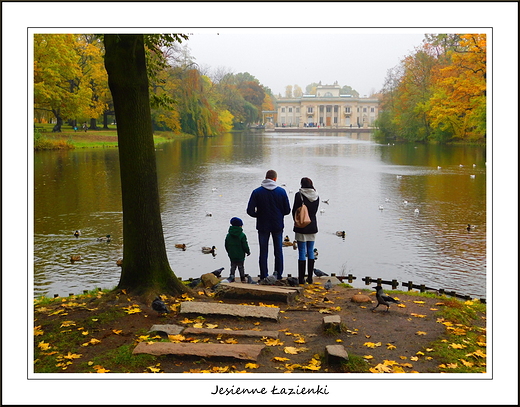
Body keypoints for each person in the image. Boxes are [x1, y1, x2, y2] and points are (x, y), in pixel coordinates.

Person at [247, 170, 291, 280]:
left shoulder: (257, 192)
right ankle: (278, 275)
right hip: (277, 225)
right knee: (278, 251)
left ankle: (263, 275)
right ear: (275, 179)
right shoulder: (282, 192)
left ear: (266, 178)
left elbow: (250, 210)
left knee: (263, 251)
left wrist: (259, 215)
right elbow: (287, 210)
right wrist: (279, 214)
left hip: (263, 225)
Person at [292, 177, 320, 284]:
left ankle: (301, 278)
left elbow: (294, 211)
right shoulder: (316, 195)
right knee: (311, 251)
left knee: (302, 252)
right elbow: (315, 211)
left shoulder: (299, 195)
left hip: (301, 227)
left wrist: (297, 221)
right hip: (312, 225)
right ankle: (310, 278)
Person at [224, 217, 251, 283]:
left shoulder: (228, 235)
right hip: (240, 255)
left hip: (232, 254)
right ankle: (243, 279)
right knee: (241, 267)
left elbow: (226, 245)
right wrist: (248, 251)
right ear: (240, 226)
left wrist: (229, 252)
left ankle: (232, 278)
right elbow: (245, 245)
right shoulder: (242, 235)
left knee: (233, 266)